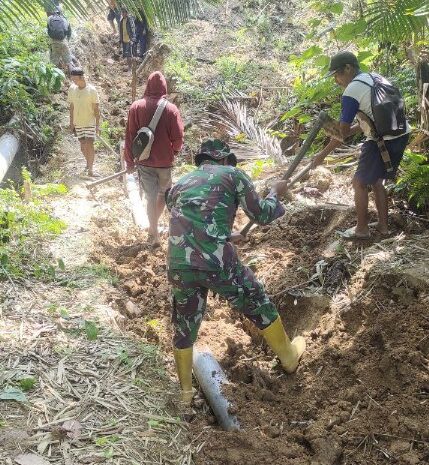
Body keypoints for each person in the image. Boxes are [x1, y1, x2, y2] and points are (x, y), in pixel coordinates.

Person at [166, 139, 306, 404]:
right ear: (224, 159)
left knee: (184, 323)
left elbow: (189, 223)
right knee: (255, 299)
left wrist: (225, 235)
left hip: (179, 263)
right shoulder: (233, 175)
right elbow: (262, 215)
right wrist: (275, 192)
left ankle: (185, 393)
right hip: (217, 263)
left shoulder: (179, 184)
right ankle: (288, 357)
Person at [312, 51, 410, 239]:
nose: (336, 81)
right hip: (400, 133)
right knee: (376, 181)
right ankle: (383, 227)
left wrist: (322, 152)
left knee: (359, 182)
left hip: (381, 140)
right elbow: (366, 123)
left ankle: (362, 230)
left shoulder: (351, 91)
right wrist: (339, 134)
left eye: (337, 75)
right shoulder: (374, 77)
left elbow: (343, 133)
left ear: (348, 68)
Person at [124, 71, 184, 246]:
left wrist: (129, 161)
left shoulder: (136, 107)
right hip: (165, 162)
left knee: (150, 198)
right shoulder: (172, 109)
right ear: (164, 87)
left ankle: (154, 232)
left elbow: (129, 136)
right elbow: (178, 137)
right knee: (164, 194)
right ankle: (153, 228)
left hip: (144, 161)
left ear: (148, 86)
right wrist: (175, 151)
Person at [67, 68, 101, 177]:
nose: (74, 82)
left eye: (75, 80)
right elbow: (71, 107)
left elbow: (96, 109)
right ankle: (88, 163)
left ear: (82, 77)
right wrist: (71, 122)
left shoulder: (92, 90)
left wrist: (97, 125)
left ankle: (91, 170)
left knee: (89, 145)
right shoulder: (72, 89)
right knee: (82, 147)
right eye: (73, 80)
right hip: (78, 123)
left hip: (90, 122)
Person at [47, 7, 72, 71]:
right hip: (63, 42)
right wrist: (67, 40)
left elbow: (48, 30)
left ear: (54, 12)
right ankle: (70, 76)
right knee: (68, 60)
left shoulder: (49, 18)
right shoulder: (65, 20)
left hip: (53, 43)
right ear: (61, 12)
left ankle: (54, 76)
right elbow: (69, 32)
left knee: (53, 62)